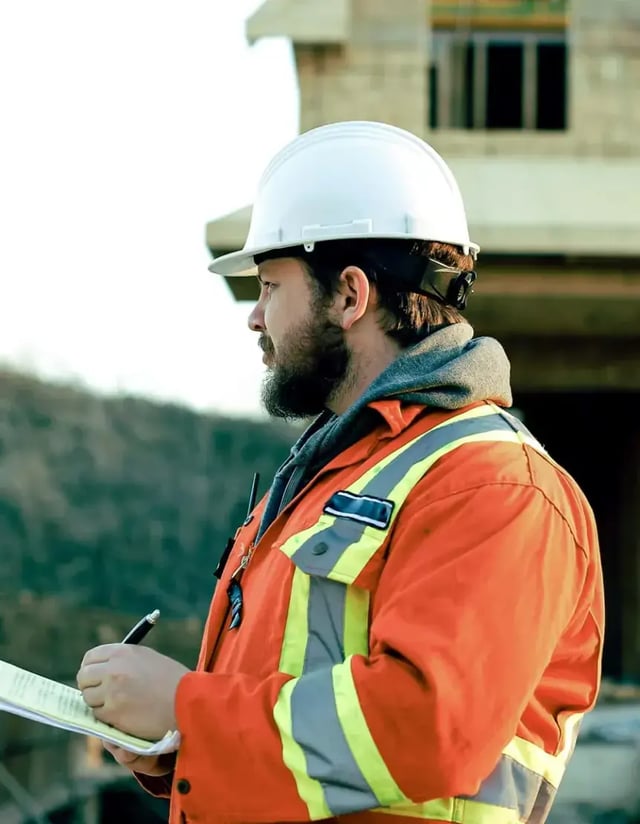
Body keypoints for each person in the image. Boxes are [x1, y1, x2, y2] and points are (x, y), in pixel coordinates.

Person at [76, 121, 604, 824]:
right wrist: (177, 747)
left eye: (270, 287)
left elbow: (425, 724)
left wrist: (187, 708)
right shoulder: (334, 474)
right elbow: (294, 712)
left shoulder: (496, 486)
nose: (255, 317)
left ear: (351, 297)